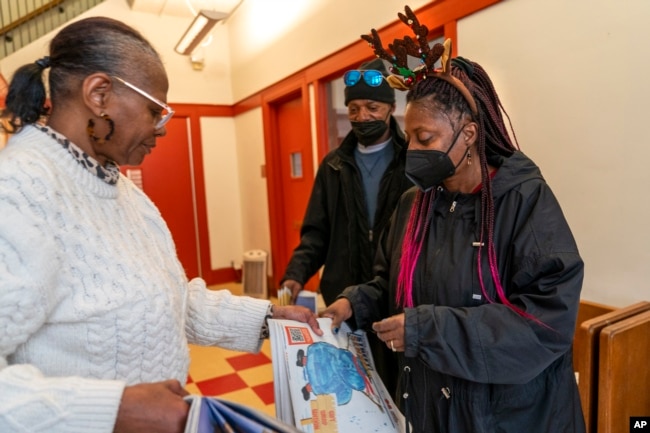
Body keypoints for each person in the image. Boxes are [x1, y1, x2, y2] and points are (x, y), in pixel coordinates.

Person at [0, 16, 321, 433]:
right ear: (99, 94)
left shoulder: (121, 191)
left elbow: (169, 299)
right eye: (155, 111)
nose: (161, 129)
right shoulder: (18, 192)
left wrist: (267, 318)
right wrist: (112, 410)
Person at [322, 7, 586, 433]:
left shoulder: (524, 201)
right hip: (433, 407)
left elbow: (544, 324)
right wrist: (353, 303)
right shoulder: (415, 203)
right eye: (411, 139)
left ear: (468, 134)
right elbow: (389, 282)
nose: (413, 152)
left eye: (426, 139)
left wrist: (428, 330)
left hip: (508, 418)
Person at [279, 57, 412, 393]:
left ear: (389, 108)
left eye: (371, 107)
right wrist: (295, 275)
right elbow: (316, 233)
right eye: (353, 109)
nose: (362, 117)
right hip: (343, 304)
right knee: (353, 391)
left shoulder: (411, 160)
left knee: (396, 393)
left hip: (397, 301)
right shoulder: (334, 165)